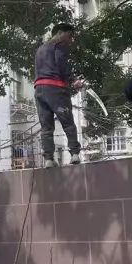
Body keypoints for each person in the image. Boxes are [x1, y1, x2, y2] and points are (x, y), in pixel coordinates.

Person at [34, 22, 84, 168]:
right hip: (55, 90)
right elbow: (62, 65)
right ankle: (74, 154)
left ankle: (49, 159)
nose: (70, 40)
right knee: (68, 122)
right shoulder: (58, 46)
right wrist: (74, 80)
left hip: (39, 90)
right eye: (69, 36)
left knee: (46, 127)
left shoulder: (40, 49)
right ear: (60, 33)